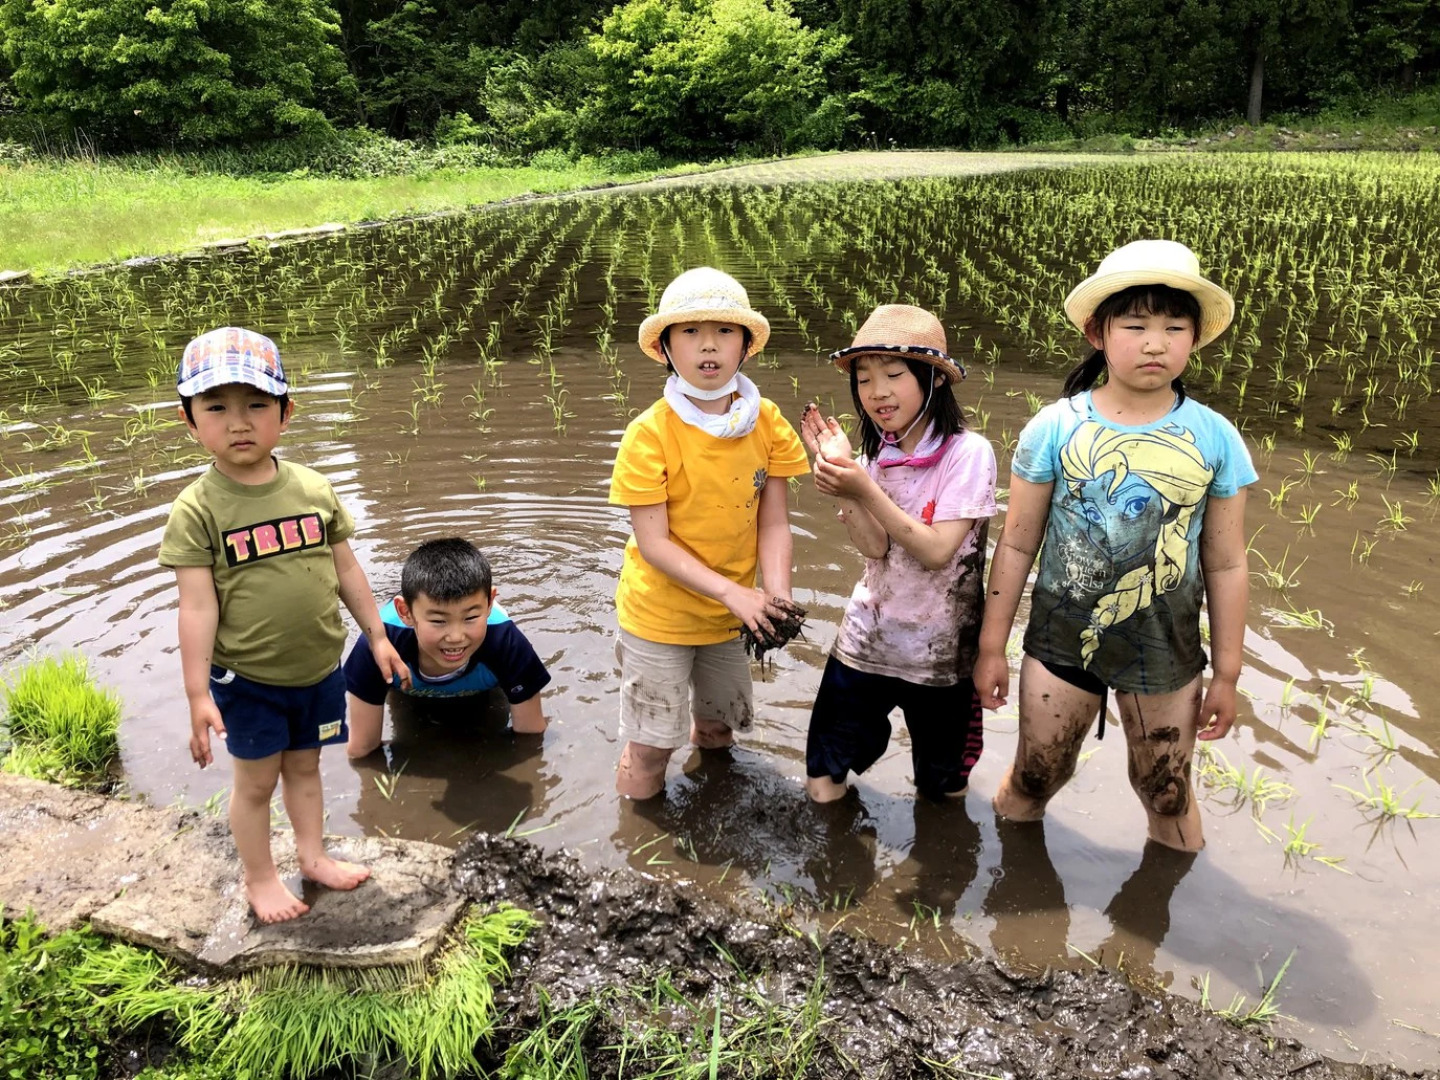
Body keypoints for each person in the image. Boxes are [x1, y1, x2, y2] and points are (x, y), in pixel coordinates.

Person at [973, 239, 1255, 853]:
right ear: (1098, 334)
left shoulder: (1215, 438)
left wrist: (1228, 673)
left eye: (1173, 328)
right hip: (1060, 640)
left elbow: (1227, 562)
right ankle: (1011, 886)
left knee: (1167, 793)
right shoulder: (1056, 427)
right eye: (1135, 326)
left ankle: (1173, 896)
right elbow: (1017, 545)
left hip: (1166, 650)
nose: (1155, 343)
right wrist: (992, 647)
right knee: (1035, 776)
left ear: (1194, 338)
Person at [158, 327, 410, 923]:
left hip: (318, 669)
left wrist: (377, 635)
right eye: (216, 408)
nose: (238, 423)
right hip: (248, 679)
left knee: (306, 767)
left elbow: (344, 568)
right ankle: (261, 877)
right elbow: (196, 607)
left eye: (256, 404)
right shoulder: (198, 509)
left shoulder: (313, 488)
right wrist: (197, 694)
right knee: (254, 783)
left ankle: (313, 856)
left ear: (286, 412)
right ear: (189, 421)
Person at [608, 267, 809, 799]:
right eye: (691, 331)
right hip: (660, 616)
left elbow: (773, 522)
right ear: (666, 348)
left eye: (724, 331)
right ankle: (637, 836)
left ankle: (713, 812)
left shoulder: (767, 421)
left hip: (730, 615)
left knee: (720, 730)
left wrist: (777, 596)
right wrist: (734, 593)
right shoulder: (649, 434)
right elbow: (653, 544)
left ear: (745, 346)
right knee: (651, 750)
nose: (708, 346)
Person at [799, 305, 997, 803]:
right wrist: (842, 478)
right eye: (864, 379)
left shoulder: (968, 453)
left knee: (943, 788)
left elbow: (937, 551)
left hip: (941, 651)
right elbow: (874, 548)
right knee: (823, 774)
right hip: (868, 638)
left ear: (934, 378)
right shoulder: (875, 457)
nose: (877, 392)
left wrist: (861, 486)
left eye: (893, 374)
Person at [343, 537, 551, 757]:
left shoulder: (505, 642)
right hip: (408, 692)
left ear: (490, 603)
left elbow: (531, 735)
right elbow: (362, 749)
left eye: (471, 617)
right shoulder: (381, 646)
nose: (456, 637)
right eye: (438, 621)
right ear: (405, 613)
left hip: (485, 690)